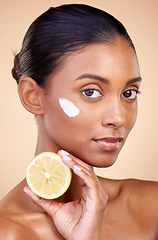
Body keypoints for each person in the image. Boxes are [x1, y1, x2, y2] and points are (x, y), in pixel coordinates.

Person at [0, 3, 157, 240]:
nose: (119, 118)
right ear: (33, 96)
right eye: (91, 92)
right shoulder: (9, 232)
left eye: (129, 93)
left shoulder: (151, 208)